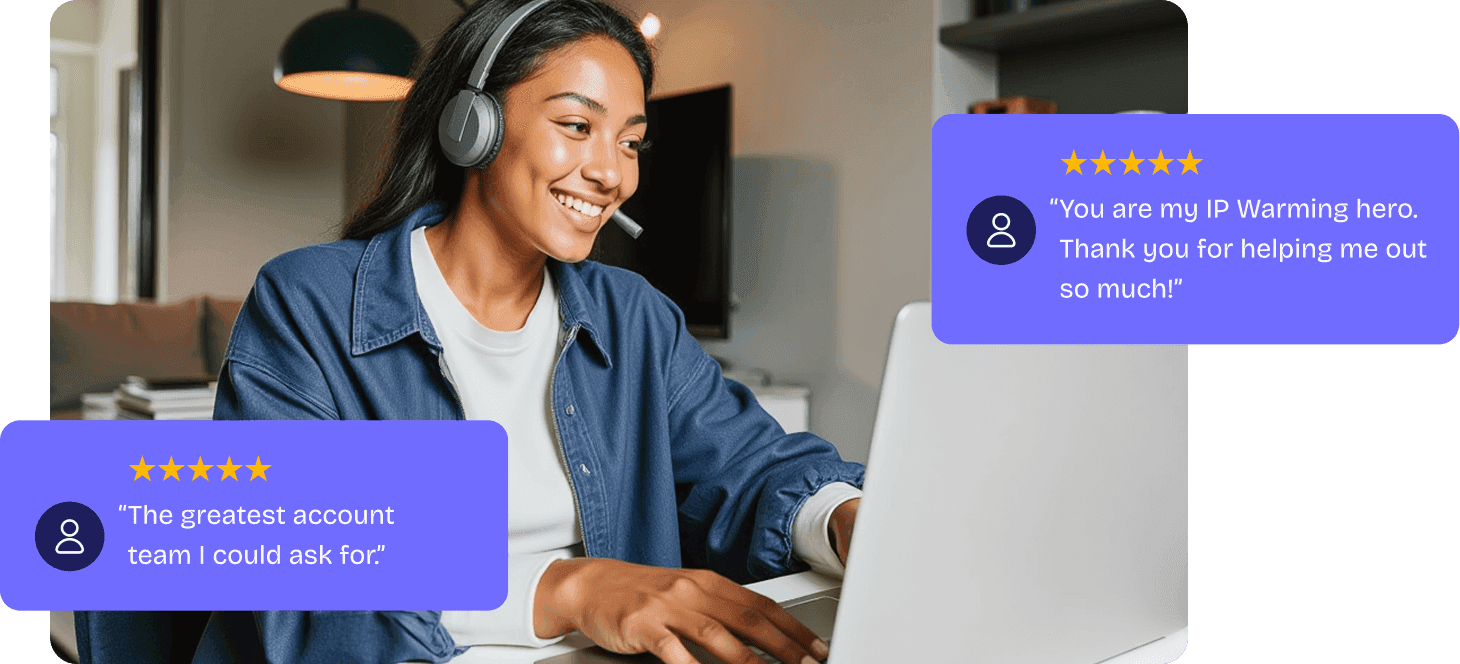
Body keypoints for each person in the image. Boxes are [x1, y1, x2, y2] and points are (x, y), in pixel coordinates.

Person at [100, 2, 863, 663]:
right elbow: (290, 585)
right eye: (576, 126)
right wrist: (563, 589)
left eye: (630, 142)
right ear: (473, 126)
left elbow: (754, 467)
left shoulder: (632, 314)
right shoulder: (310, 302)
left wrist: (842, 517)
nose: (613, 174)